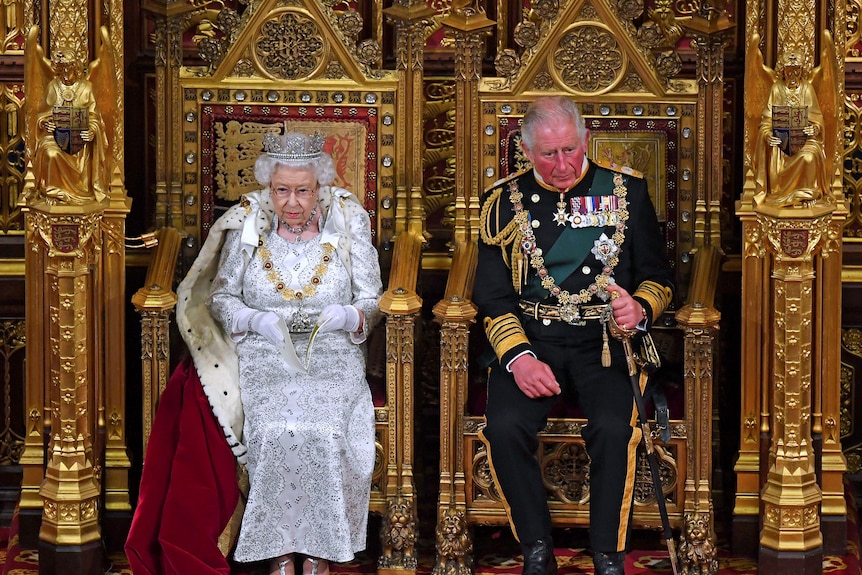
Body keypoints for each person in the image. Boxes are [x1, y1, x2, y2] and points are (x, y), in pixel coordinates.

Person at [128, 131, 383, 575]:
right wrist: (255, 321)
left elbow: (373, 300)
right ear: (269, 187)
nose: (292, 202)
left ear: (319, 187)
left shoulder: (348, 221)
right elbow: (222, 298)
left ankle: (321, 552)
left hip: (332, 355)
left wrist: (348, 317)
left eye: (303, 190)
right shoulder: (248, 223)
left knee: (322, 428)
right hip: (266, 353)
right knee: (276, 426)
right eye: (281, 190)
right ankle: (281, 549)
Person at [474, 96, 673, 575]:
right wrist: (518, 357)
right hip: (532, 340)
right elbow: (492, 294)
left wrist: (640, 306)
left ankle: (608, 553)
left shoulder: (626, 192)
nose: (562, 164)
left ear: (585, 140)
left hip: (605, 342)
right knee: (503, 427)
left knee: (612, 426)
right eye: (548, 154)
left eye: (569, 150)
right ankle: (536, 548)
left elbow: (659, 277)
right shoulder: (502, 202)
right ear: (525, 149)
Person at [31, 48, 110, 203]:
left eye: (69, 67)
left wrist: (92, 131)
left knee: (82, 151)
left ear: (76, 67)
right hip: (55, 138)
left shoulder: (87, 88)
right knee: (49, 153)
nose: (66, 72)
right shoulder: (53, 87)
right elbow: (41, 115)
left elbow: (95, 117)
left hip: (79, 140)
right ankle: (53, 193)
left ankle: (82, 191)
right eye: (62, 68)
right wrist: (46, 123)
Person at [754, 53, 829, 207]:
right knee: (776, 161)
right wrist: (768, 136)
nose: (793, 75)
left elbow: (818, 119)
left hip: (805, 141)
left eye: (797, 71)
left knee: (809, 157)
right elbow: (766, 122)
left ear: (802, 71)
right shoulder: (776, 89)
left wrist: (814, 129)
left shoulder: (807, 89)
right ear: (783, 71)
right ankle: (777, 194)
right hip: (781, 144)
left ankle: (807, 195)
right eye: (789, 71)